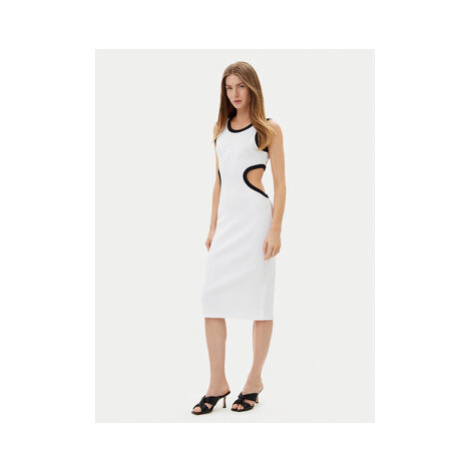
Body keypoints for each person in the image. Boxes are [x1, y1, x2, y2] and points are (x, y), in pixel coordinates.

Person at [191, 61, 287, 415]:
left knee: (260, 301)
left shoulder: (268, 129)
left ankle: (254, 381)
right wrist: (212, 226)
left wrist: (275, 228)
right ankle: (217, 383)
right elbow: (219, 181)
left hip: (257, 222)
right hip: (228, 226)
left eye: (241, 86)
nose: (235, 93)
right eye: (229, 87)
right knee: (211, 298)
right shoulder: (219, 129)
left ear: (252, 88)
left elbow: (281, 184)